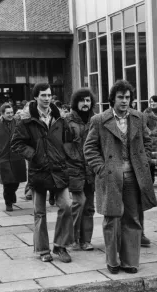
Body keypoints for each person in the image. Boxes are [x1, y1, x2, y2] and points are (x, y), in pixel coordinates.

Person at [84, 80, 157, 274]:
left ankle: (130, 261)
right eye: (121, 97)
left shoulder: (138, 117)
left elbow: (147, 141)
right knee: (111, 219)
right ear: (113, 99)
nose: (125, 101)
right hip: (110, 176)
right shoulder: (100, 120)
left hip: (134, 176)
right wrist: (101, 168)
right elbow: (89, 148)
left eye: (128, 97)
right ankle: (112, 261)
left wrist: (145, 159)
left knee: (132, 218)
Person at [11, 83, 74, 263]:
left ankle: (61, 246)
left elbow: (69, 140)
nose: (47, 99)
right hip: (38, 170)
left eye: (49, 95)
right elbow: (17, 144)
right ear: (35, 98)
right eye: (43, 95)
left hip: (59, 169)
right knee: (40, 212)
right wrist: (35, 154)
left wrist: (64, 155)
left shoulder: (60, 118)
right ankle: (43, 249)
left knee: (66, 206)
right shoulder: (26, 120)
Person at [64, 88, 96, 251]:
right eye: (82, 100)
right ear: (76, 102)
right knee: (79, 202)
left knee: (89, 206)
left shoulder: (96, 120)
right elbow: (64, 146)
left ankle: (86, 240)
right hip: (74, 168)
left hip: (91, 169)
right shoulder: (67, 121)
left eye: (88, 100)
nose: (85, 103)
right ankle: (72, 238)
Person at [0, 103, 27, 211]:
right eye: (8, 113)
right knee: (7, 181)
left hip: (17, 155)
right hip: (4, 157)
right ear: (2, 114)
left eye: (12, 112)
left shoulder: (18, 122)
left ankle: (12, 194)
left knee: (16, 180)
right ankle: (8, 202)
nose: (11, 115)